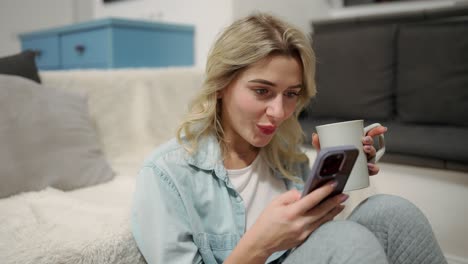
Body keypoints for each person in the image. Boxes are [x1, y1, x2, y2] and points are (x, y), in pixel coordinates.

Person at [131, 13, 447, 264]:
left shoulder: (286, 157)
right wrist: (260, 245)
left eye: (291, 94)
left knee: (390, 211)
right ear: (221, 86)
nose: (279, 112)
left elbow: (314, 243)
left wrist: (331, 177)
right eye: (262, 91)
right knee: (347, 240)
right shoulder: (166, 174)